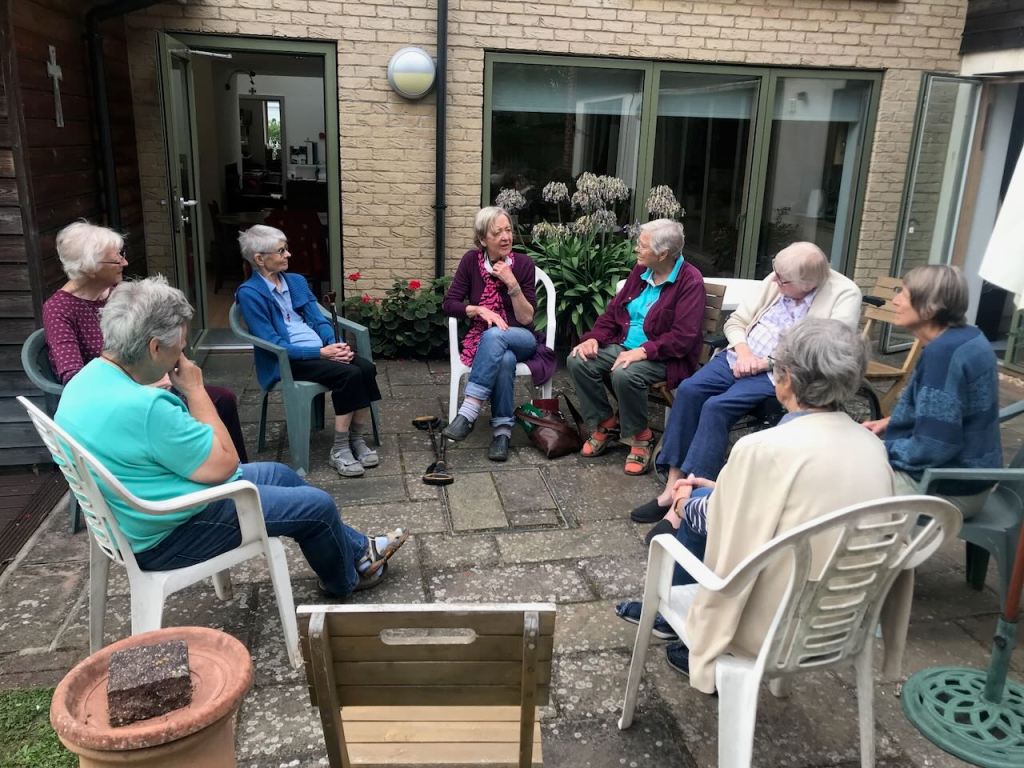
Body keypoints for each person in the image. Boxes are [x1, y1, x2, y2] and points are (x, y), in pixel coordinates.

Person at [55, 276, 406, 596]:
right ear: (154, 348)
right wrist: (195, 390)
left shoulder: (86, 380)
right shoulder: (146, 406)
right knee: (318, 507)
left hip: (144, 510)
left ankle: (359, 550)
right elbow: (225, 464)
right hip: (170, 534)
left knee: (281, 474)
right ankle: (344, 581)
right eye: (180, 349)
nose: (183, 357)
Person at [615, 319, 895, 693]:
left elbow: (720, 522)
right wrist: (721, 490)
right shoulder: (873, 447)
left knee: (694, 506)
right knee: (707, 496)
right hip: (841, 621)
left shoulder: (764, 449)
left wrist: (683, 501)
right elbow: (797, 502)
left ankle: (687, 632)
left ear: (787, 379)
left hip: (769, 626)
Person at [631, 241, 862, 523]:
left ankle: (691, 504)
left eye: (783, 281)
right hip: (739, 357)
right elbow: (736, 321)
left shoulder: (844, 294)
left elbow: (825, 351)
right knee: (689, 390)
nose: (774, 282)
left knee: (716, 407)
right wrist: (744, 352)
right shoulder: (776, 279)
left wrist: (765, 363)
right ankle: (672, 488)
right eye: (775, 274)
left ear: (808, 283)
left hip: (780, 372)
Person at [42, 220, 248, 461]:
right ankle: (218, 468)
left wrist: (169, 369)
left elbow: (160, 334)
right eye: (116, 259)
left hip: (154, 379)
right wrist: (141, 386)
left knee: (223, 399)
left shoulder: (119, 293)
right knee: (207, 406)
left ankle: (237, 472)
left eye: (122, 255)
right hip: (117, 402)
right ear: (89, 267)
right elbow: (73, 376)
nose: (125, 263)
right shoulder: (59, 309)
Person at [235, 225, 382, 478]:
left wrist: (335, 344)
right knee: (349, 375)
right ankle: (339, 449)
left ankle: (356, 439)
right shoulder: (250, 293)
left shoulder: (296, 282)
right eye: (281, 251)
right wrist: (322, 354)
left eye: (286, 248)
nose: (288, 254)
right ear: (259, 259)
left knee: (366, 368)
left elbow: (319, 320)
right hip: (287, 361)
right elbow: (273, 342)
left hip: (322, 351)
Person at [567, 219, 705, 475]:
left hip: (665, 357)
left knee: (625, 373)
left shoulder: (690, 281)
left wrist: (642, 352)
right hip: (624, 346)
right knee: (578, 359)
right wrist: (593, 337)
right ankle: (606, 423)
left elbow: (683, 338)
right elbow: (613, 313)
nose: (636, 249)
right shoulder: (641, 271)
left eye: (642, 246)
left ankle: (642, 436)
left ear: (663, 254)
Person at [863, 265, 1002, 517]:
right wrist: (891, 421)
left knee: (840, 487)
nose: (895, 301)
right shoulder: (970, 337)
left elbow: (934, 447)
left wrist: (877, 449)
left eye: (903, 294)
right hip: (973, 477)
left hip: (946, 488)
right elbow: (952, 412)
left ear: (929, 308)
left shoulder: (944, 354)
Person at [441, 206, 555, 461]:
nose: (506, 237)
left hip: (523, 338)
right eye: (497, 232)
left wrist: (511, 282)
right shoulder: (471, 262)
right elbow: (449, 304)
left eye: (508, 230)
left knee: (494, 336)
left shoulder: (523, 264)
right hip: (485, 341)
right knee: (504, 359)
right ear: (483, 239)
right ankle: (502, 433)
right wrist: (479, 309)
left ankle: (469, 411)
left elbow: (526, 318)